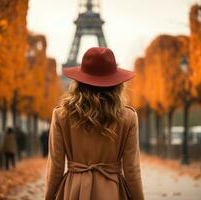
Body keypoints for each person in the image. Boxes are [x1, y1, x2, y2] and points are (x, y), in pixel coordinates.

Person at [45, 47, 144, 200]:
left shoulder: (61, 115)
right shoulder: (128, 116)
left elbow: (56, 168)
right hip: (113, 190)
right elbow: (132, 170)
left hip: (74, 190)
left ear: (79, 80)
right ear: (116, 82)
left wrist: (49, 197)